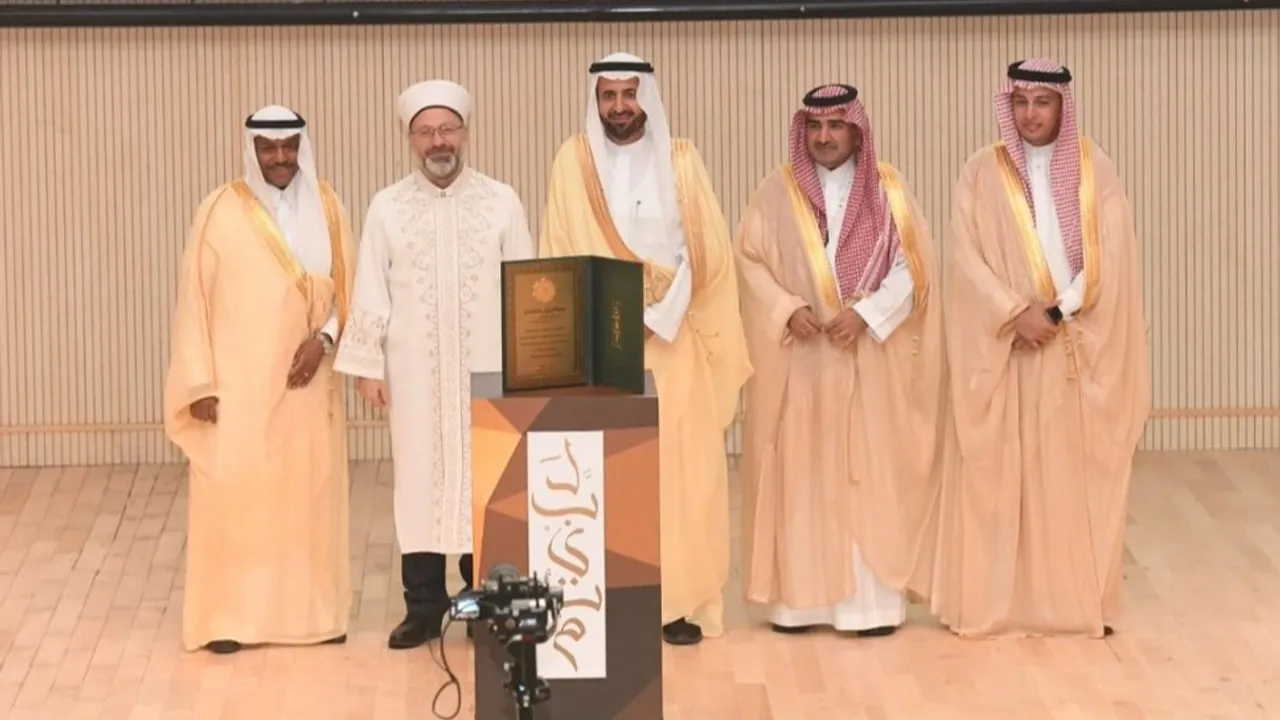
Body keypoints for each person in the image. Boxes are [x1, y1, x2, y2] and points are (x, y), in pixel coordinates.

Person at [930, 59, 1151, 638]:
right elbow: (965, 257)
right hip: (1006, 349)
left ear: (1062, 107)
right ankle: (996, 606)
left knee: (1072, 483)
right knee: (1000, 481)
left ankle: (1074, 606)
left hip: (1072, 345)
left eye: (1042, 102)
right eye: (1021, 102)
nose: (1030, 114)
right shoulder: (980, 171)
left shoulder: (1094, 169)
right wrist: (1014, 313)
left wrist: (1055, 311)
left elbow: (1110, 256)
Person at [538, 51, 752, 646]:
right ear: (595, 100)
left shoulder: (682, 160)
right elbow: (558, 250)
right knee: (604, 474)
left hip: (670, 339)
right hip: (599, 348)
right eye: (608, 96)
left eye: (629, 94)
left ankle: (675, 603)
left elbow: (705, 253)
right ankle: (602, 604)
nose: (619, 107)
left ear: (646, 97)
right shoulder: (571, 162)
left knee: (679, 475)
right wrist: (604, 326)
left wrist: (658, 318)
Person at [734, 84, 946, 638]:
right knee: (800, 478)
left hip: (868, 359)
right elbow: (750, 261)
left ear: (856, 131)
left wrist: (867, 315)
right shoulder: (776, 192)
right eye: (814, 127)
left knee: (867, 477)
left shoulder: (889, 190)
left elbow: (914, 269)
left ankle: (869, 608)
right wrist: (787, 310)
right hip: (802, 364)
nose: (824, 137)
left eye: (835, 126)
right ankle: (799, 605)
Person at [333, 79, 535, 649]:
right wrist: (368, 366)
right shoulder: (387, 207)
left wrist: (528, 368)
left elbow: (527, 286)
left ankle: (483, 605)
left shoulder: (501, 201)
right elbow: (370, 288)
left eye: (447, 129)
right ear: (410, 139)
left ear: (465, 133)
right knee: (417, 484)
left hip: (488, 372)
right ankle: (423, 607)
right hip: (413, 377)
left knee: (487, 486)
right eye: (425, 132)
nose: (437, 141)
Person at [163, 105, 355, 654]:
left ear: (301, 147)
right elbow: (193, 300)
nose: (280, 157)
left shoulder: (328, 205)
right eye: (268, 147)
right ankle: (229, 619)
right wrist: (200, 384)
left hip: (306, 382)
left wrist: (324, 342)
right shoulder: (218, 210)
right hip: (237, 385)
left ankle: (314, 617)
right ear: (252, 150)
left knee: (308, 498)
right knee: (237, 495)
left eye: (289, 146)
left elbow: (348, 288)